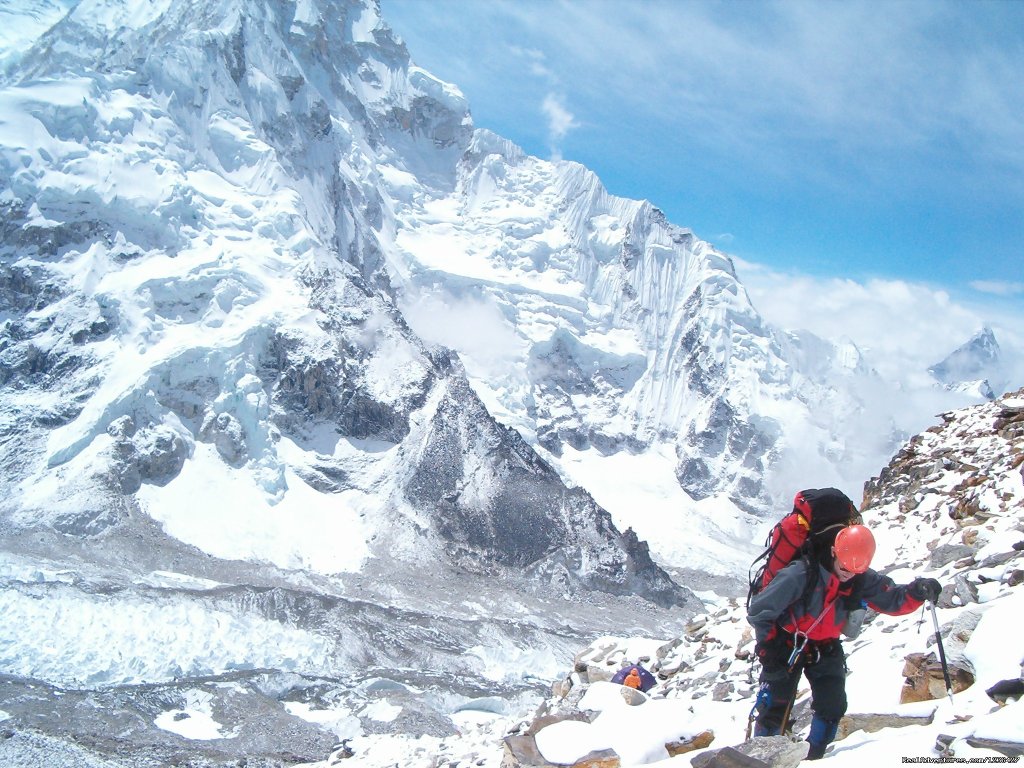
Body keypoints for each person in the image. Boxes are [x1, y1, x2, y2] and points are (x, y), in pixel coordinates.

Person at [747, 522, 942, 760]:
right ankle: (759, 760)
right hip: (786, 645)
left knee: (832, 706)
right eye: (844, 567)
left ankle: (814, 758)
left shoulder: (860, 577)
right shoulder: (801, 573)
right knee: (774, 707)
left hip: (825, 646)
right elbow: (760, 611)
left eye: (855, 571)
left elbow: (892, 599)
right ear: (833, 552)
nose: (848, 574)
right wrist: (768, 652)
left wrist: (918, 591)